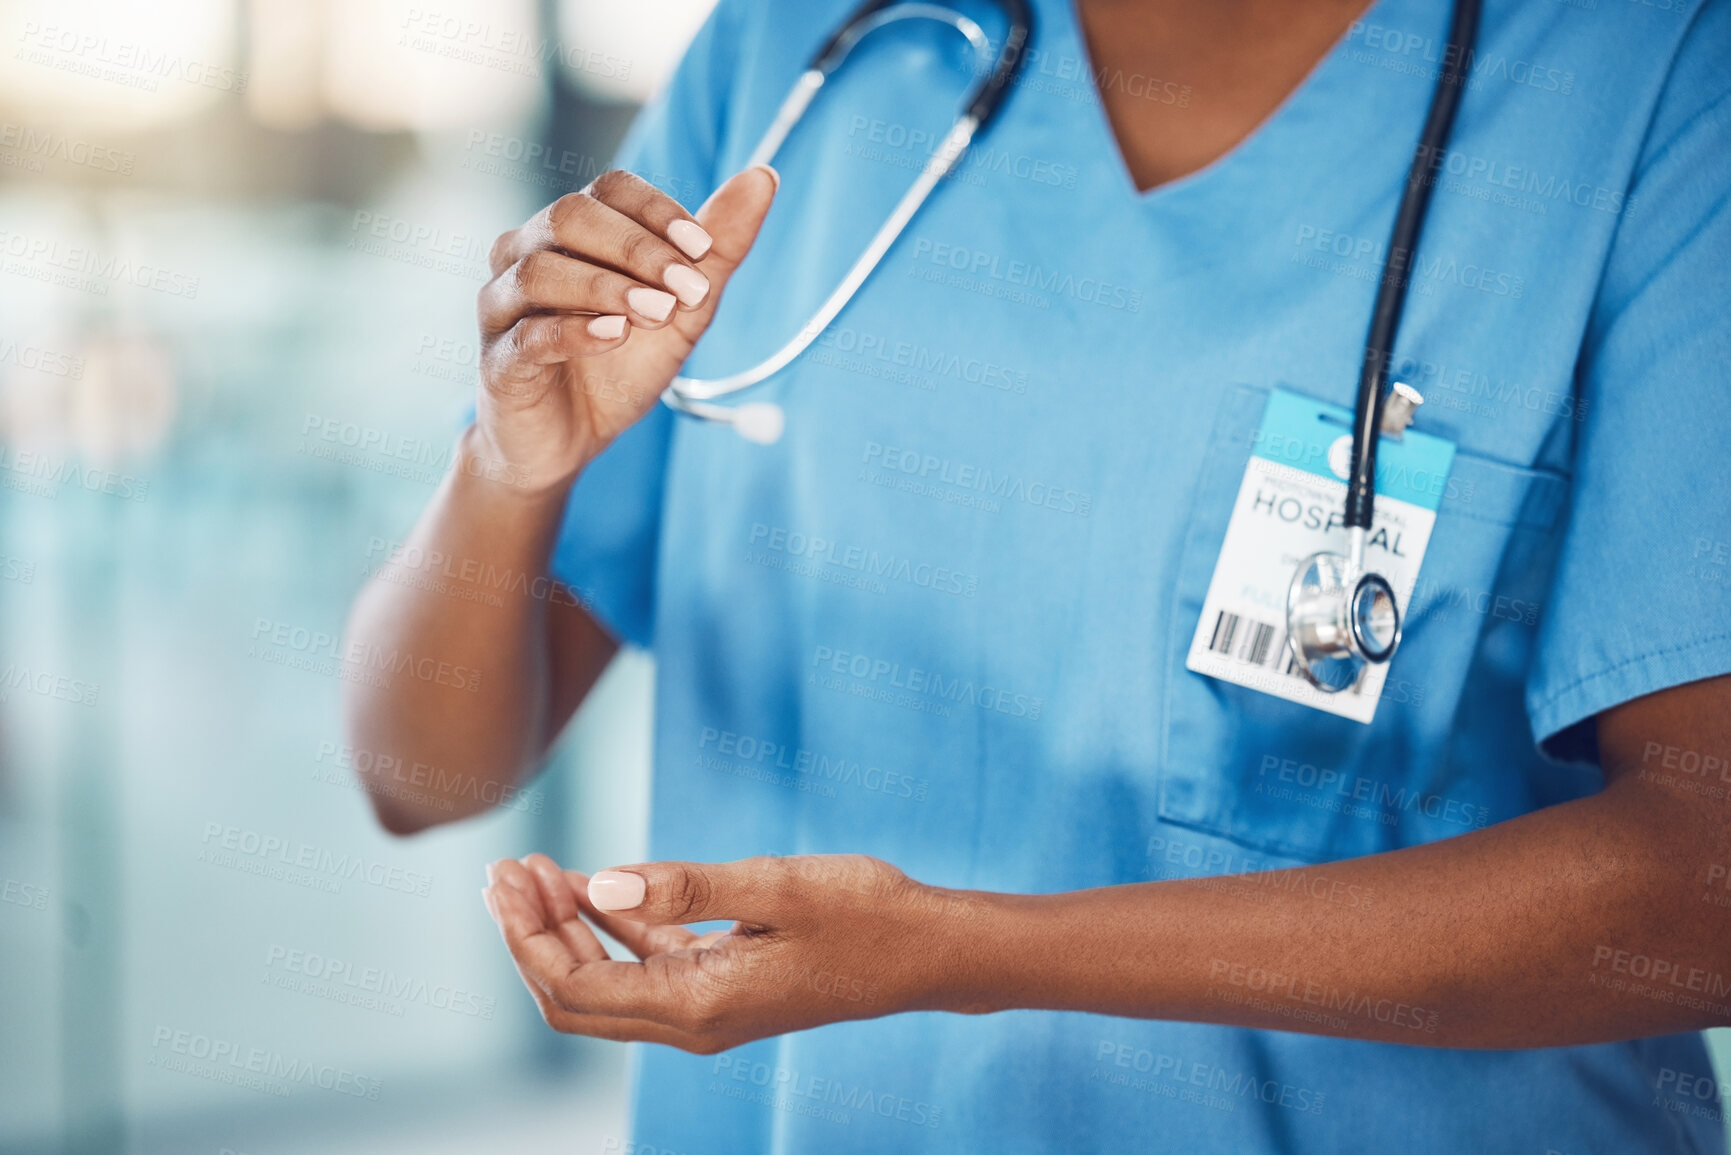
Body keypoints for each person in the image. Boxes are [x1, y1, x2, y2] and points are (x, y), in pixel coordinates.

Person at [342, 0, 1731, 1150]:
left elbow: (1706, 880)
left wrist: (965, 951)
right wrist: (510, 472)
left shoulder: (1650, 78)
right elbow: (422, 775)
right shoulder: (800, 53)